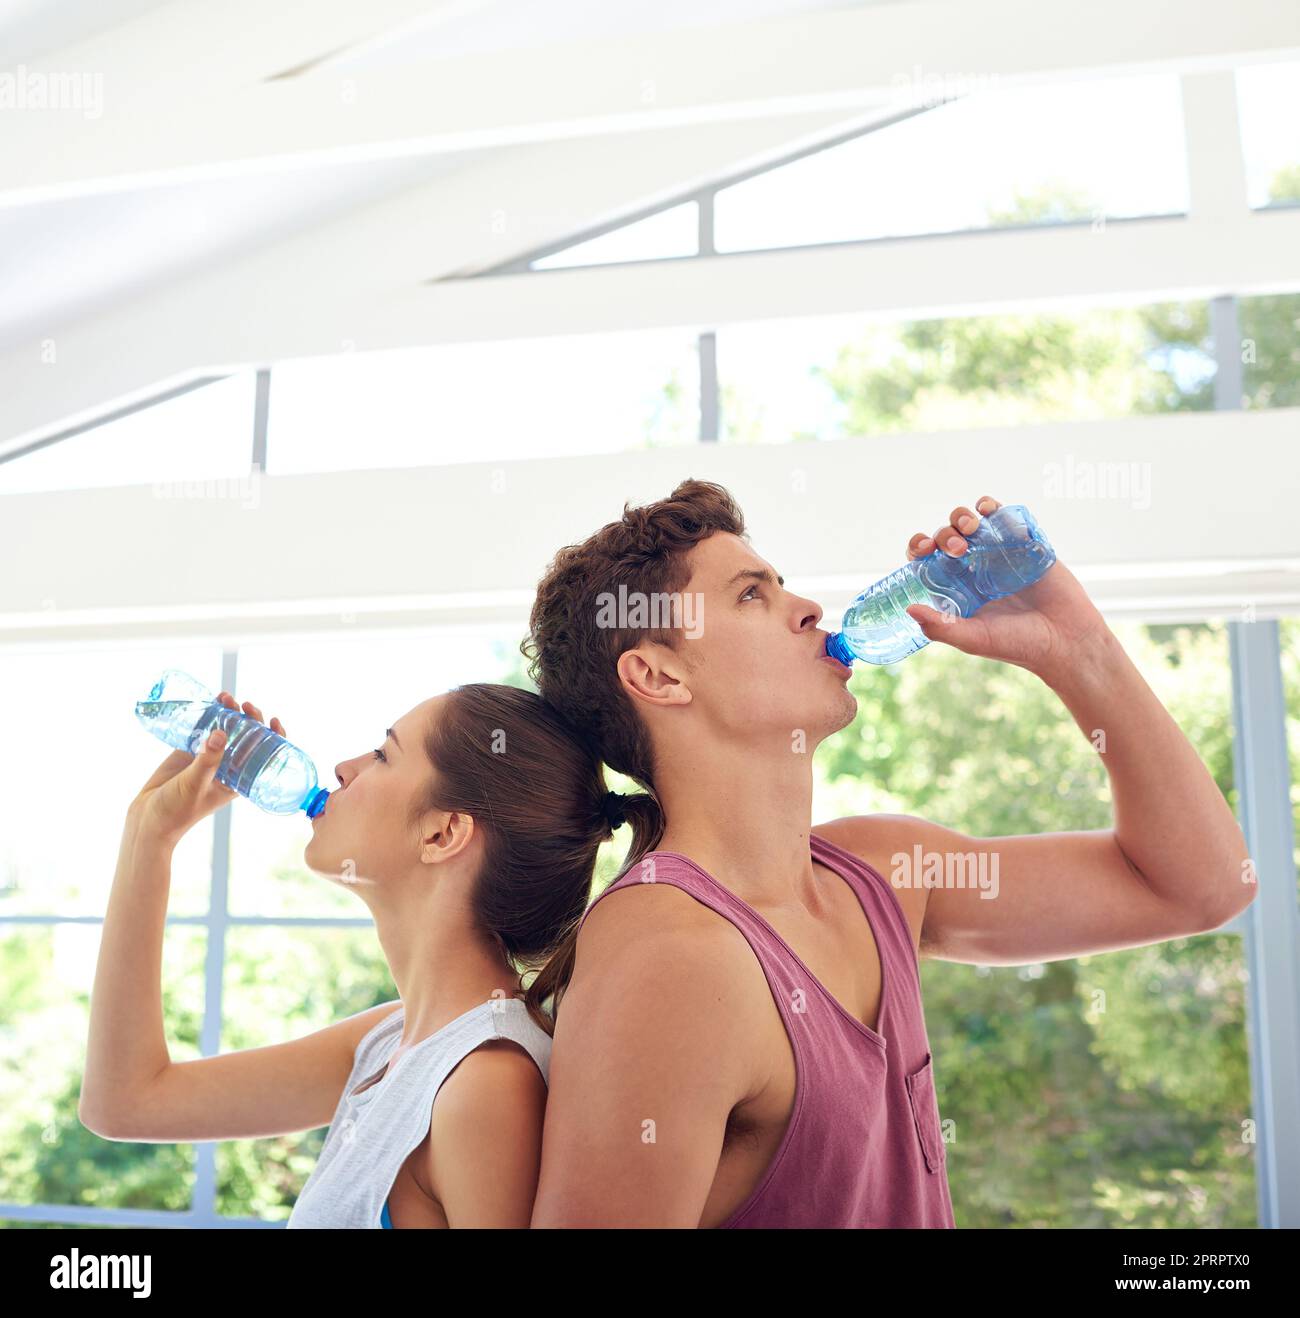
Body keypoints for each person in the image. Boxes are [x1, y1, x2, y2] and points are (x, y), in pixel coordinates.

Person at [521, 480, 1255, 1228]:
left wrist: (1078, 650)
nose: (806, 607)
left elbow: (1201, 887)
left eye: (779, 584)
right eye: (750, 595)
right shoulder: (664, 951)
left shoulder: (885, 872)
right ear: (658, 675)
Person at [80, 682, 621, 1228]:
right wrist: (149, 835)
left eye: (384, 755)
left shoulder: (487, 1080)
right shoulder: (390, 1041)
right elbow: (125, 1101)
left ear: (442, 834)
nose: (343, 767)